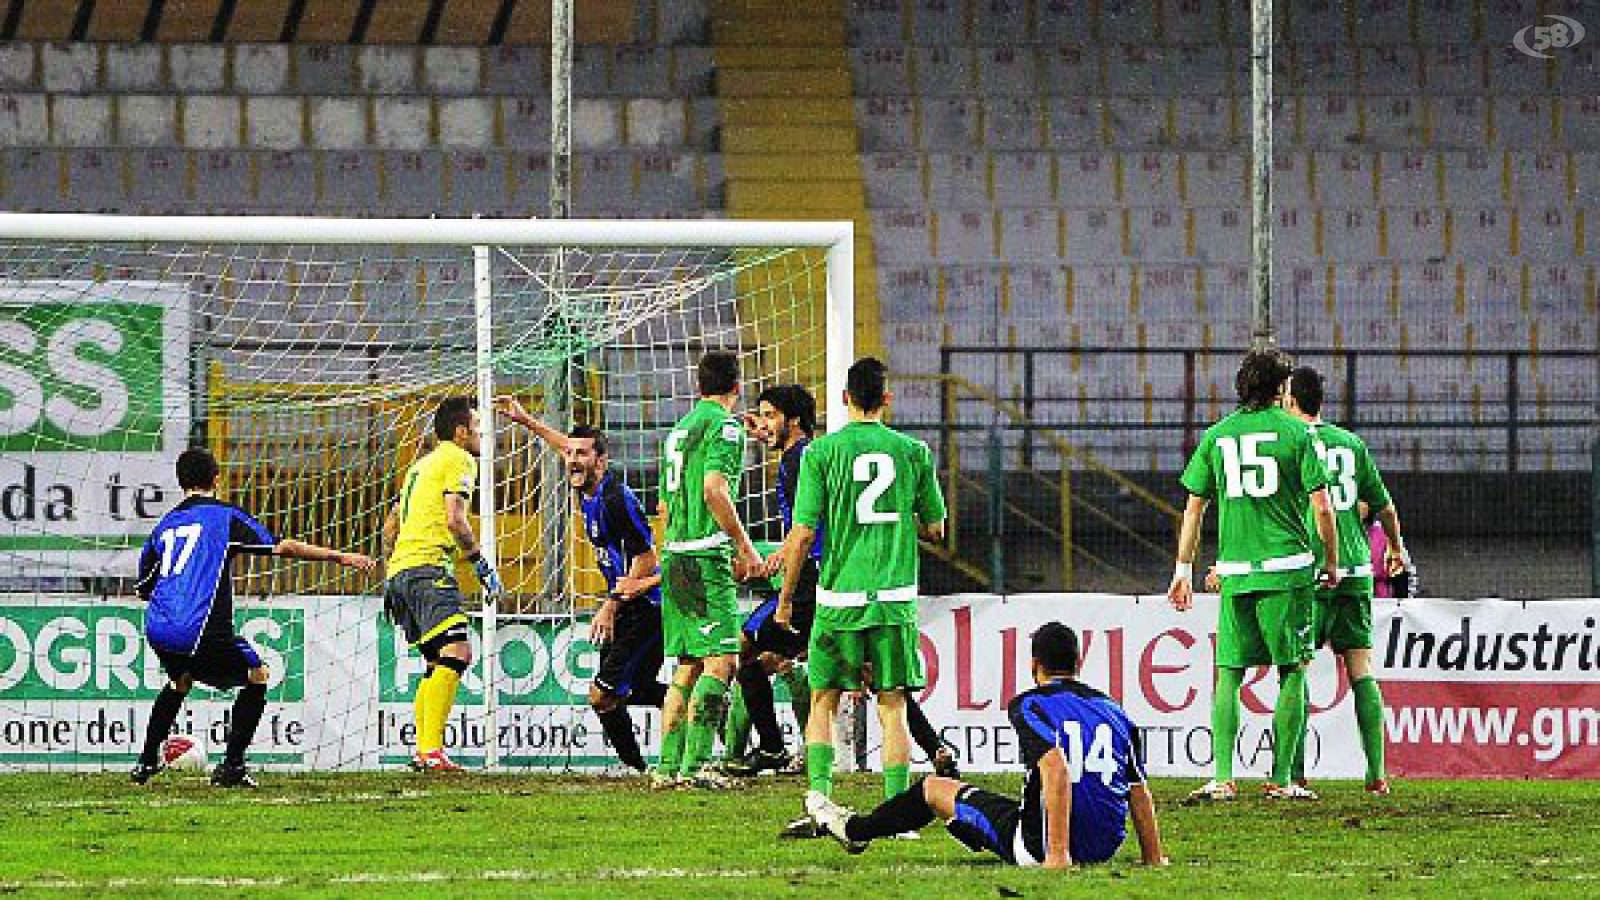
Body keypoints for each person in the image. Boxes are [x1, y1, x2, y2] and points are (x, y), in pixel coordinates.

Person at [806, 623, 1168, 869]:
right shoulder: (1114, 712)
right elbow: (1137, 789)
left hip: (1042, 844)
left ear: (1034, 664)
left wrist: (1057, 855)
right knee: (974, 798)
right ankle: (960, 818)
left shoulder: (1030, 704)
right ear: (1078, 663)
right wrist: (1152, 856)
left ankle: (853, 831)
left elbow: (1056, 768)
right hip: (1103, 848)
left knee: (934, 788)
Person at [132, 448, 376, 787]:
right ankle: (232, 766)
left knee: (180, 681)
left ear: (180, 482)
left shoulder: (164, 525)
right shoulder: (223, 516)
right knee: (257, 675)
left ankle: (145, 762)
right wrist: (339, 556)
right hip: (199, 626)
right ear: (216, 479)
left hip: (158, 626)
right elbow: (282, 547)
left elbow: (144, 586)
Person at [775, 357, 947, 818]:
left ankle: (819, 801)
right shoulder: (915, 452)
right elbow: (936, 529)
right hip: (893, 599)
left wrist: (787, 599)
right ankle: (895, 814)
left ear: (846, 398)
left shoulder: (820, 454)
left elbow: (804, 532)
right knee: (893, 704)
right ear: (886, 400)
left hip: (838, 599)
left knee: (823, 699)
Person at [1167, 349, 1339, 802]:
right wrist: (1331, 561)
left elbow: (1193, 509)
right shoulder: (1298, 434)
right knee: (1291, 671)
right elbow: (1322, 508)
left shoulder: (1217, 436)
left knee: (1229, 673)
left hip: (1235, 572)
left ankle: (1222, 777)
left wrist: (1183, 569)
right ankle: (1281, 779)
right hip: (1288, 570)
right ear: (1281, 389)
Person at [497, 398, 667, 773]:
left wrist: (611, 605)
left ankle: (639, 770)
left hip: (645, 607)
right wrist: (527, 421)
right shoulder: (586, 485)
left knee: (602, 696)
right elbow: (565, 445)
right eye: (570, 454)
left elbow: (647, 559)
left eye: (583, 455)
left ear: (601, 461)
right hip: (626, 606)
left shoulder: (613, 500)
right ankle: (699, 709)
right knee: (635, 688)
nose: (573, 459)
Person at [1283, 366, 1408, 795]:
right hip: (1357, 570)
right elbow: (1386, 507)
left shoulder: (1289, 441)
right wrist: (1395, 549)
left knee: (1295, 670)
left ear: (1290, 400)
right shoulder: (1351, 444)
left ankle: (1294, 775)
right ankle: (1376, 775)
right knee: (1361, 670)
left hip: (1310, 569)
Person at [653, 350, 764, 788]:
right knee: (721, 660)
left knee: (688, 664)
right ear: (737, 387)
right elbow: (715, 490)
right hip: (705, 553)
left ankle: (666, 768)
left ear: (699, 387)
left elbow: (663, 504)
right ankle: (696, 767)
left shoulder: (679, 430)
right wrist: (744, 546)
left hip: (675, 551)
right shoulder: (726, 428)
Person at [381, 396, 503, 772]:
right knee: (458, 653)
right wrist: (480, 563)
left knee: (437, 662)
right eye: (479, 428)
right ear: (461, 431)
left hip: (400, 572)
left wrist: (393, 568)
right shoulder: (458, 459)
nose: (484, 436)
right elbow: (455, 520)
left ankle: (425, 751)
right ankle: (430, 752)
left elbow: (389, 528)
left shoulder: (419, 467)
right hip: (427, 569)